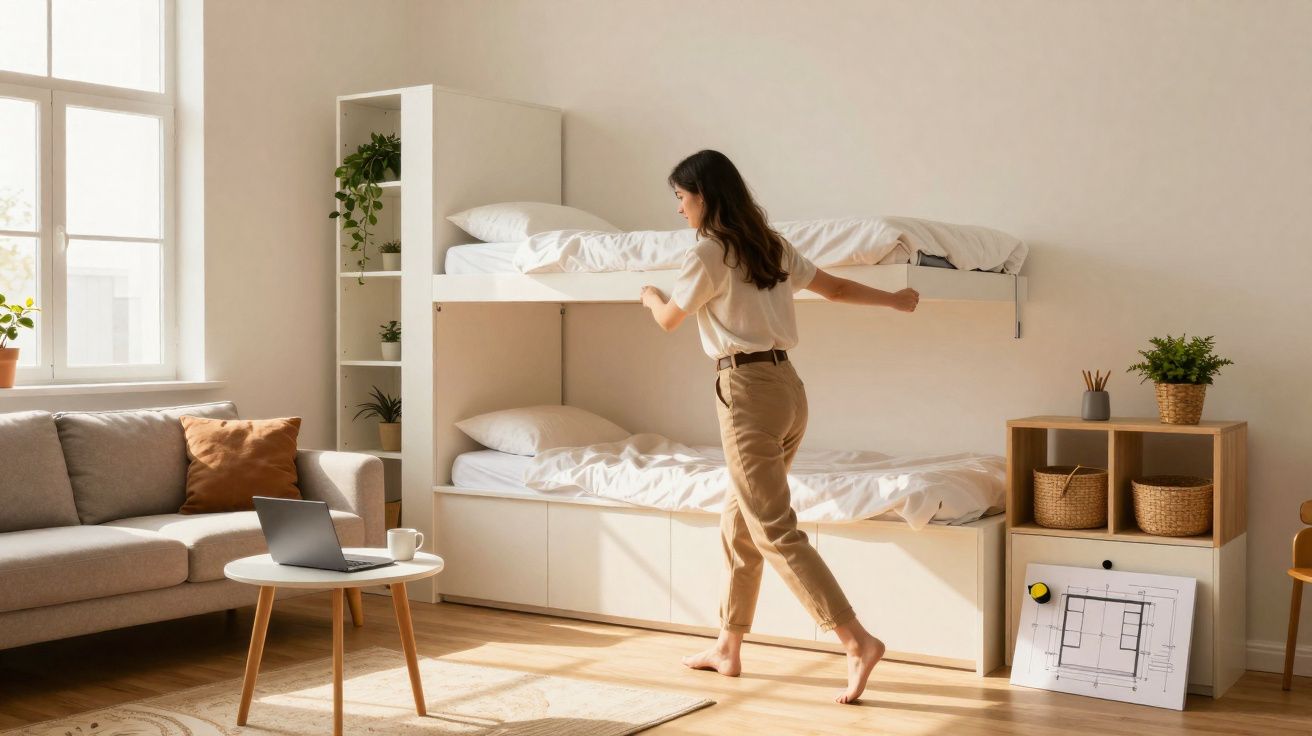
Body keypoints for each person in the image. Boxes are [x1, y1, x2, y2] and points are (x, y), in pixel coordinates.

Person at [640, 149, 919, 704]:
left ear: (704, 195)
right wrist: (893, 300)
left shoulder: (707, 253)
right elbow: (835, 289)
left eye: (680, 197)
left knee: (772, 528)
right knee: (738, 520)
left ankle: (855, 639)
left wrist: (649, 295)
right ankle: (727, 644)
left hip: (745, 393)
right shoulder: (770, 245)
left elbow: (670, 319)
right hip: (789, 389)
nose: (678, 209)